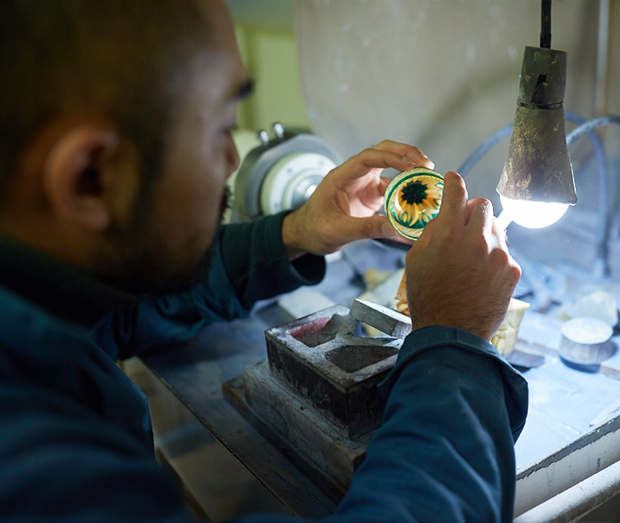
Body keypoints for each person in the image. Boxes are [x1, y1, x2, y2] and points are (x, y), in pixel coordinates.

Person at [0, 1, 527, 521]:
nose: (233, 160)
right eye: (221, 127)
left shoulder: (36, 291)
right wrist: (454, 350)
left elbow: (118, 306)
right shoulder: (46, 481)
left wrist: (295, 233)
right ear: (90, 179)